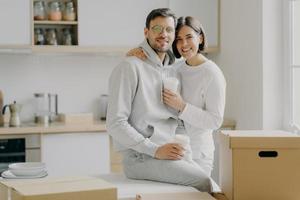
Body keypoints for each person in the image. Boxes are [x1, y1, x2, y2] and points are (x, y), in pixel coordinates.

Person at [107, 8, 212, 192]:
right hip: (141, 158)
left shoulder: (171, 70)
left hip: (167, 152)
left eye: (169, 30)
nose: (164, 34)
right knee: (203, 182)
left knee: (208, 182)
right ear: (146, 32)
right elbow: (115, 123)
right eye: (157, 28)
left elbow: (173, 119)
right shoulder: (129, 67)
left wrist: (180, 147)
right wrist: (155, 150)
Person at [128, 16, 226, 177]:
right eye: (179, 39)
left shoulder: (212, 73)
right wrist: (134, 53)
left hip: (198, 152)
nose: (184, 45)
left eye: (189, 38)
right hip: (174, 149)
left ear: (200, 38)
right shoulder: (177, 69)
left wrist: (182, 106)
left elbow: (215, 121)